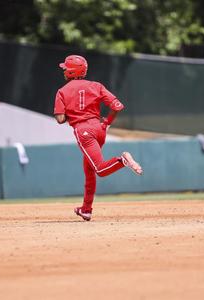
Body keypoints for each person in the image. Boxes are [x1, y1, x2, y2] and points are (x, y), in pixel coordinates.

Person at [53, 54, 143, 221]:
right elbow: (117, 106)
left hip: (83, 131)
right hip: (100, 128)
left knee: (100, 170)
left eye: (65, 68)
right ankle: (86, 209)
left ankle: (122, 160)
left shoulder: (62, 91)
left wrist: (70, 113)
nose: (64, 71)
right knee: (89, 170)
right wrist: (107, 122)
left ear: (72, 72)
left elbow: (60, 119)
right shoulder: (96, 85)